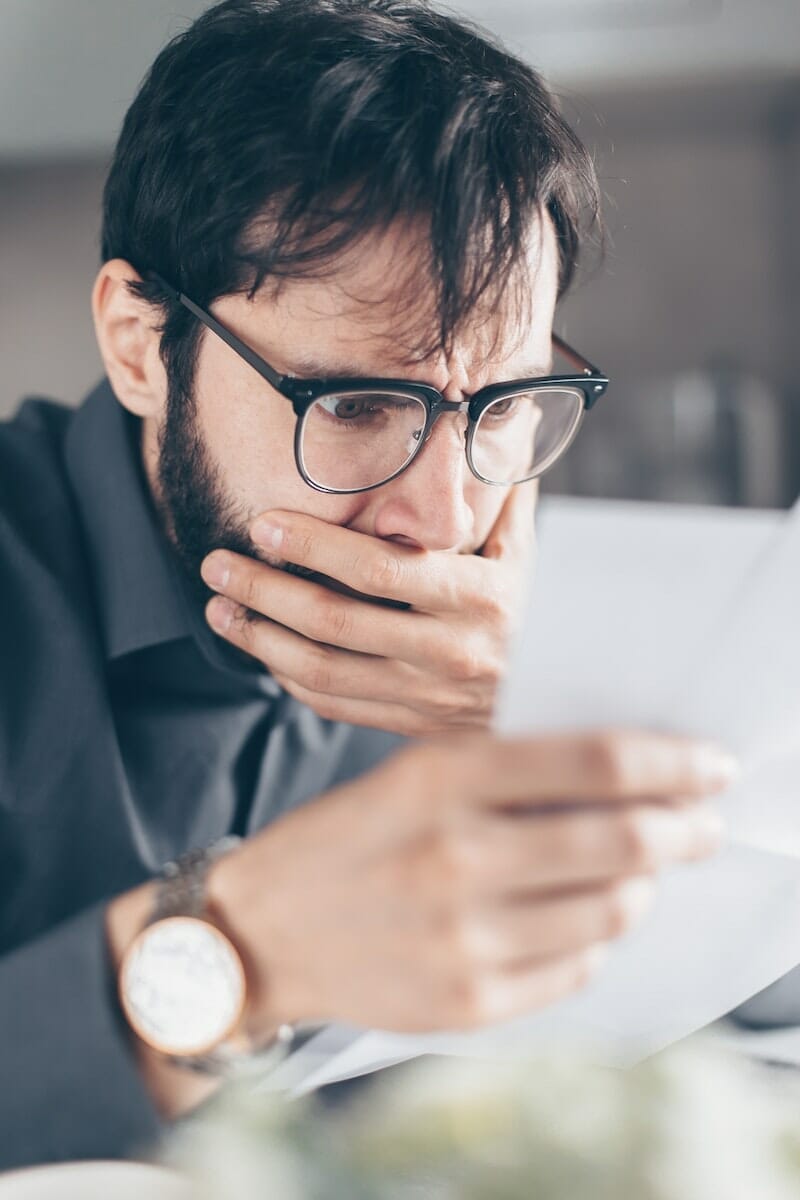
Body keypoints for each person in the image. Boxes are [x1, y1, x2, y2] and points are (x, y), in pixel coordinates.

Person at [0, 0, 736, 1171]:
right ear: (140, 344)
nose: (442, 520)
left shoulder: (528, 645)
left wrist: (567, 698)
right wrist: (240, 946)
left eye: (499, 409)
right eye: (352, 406)